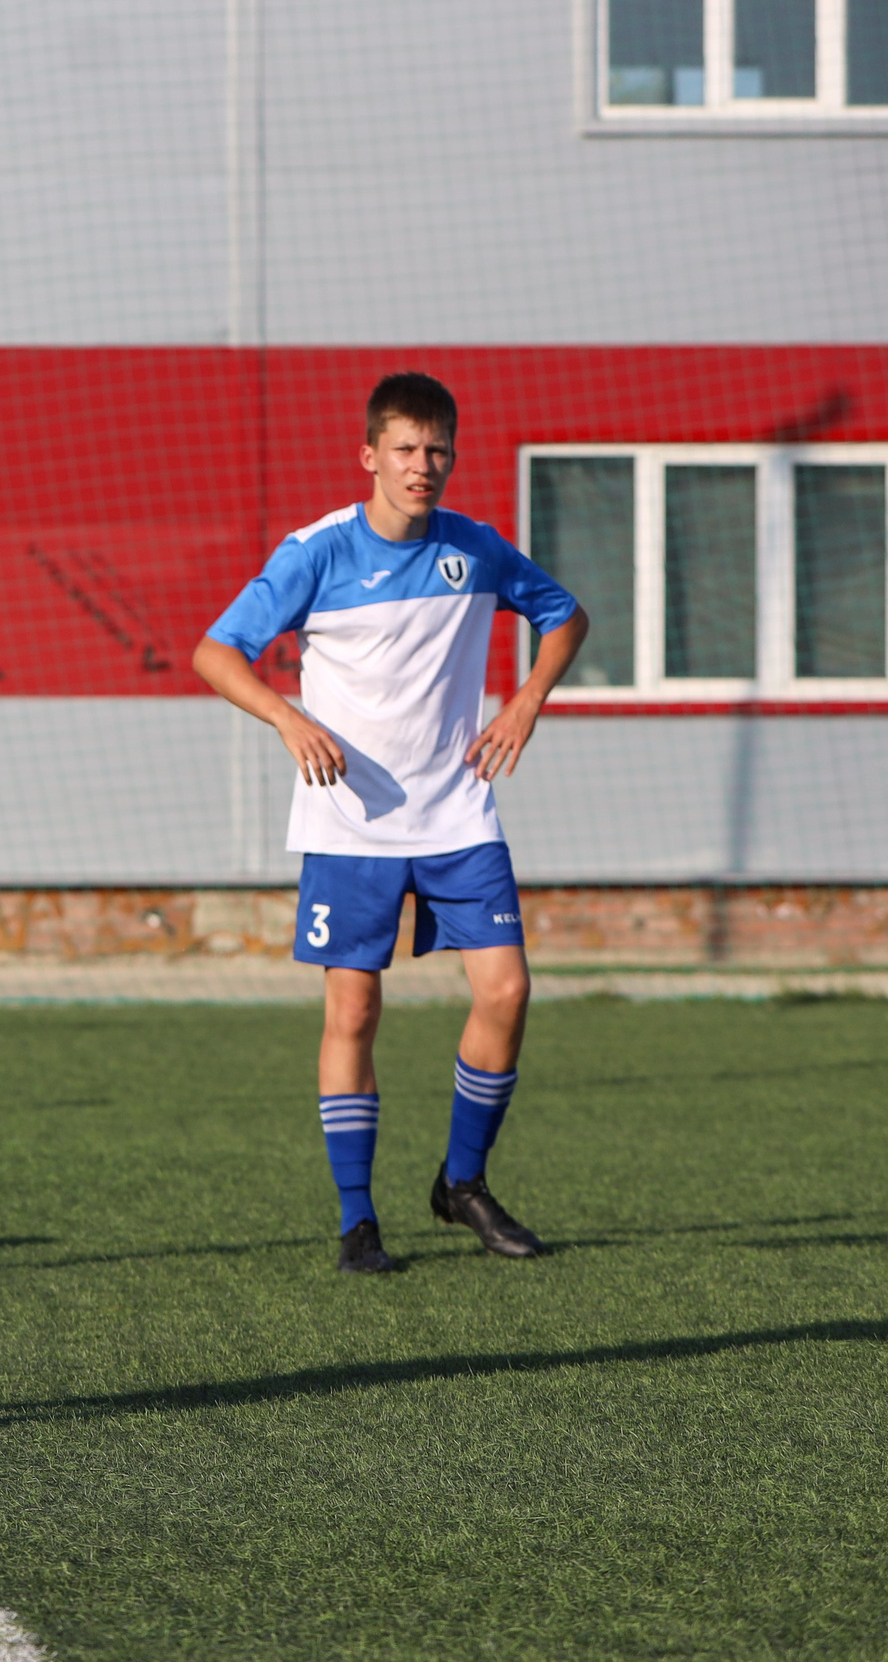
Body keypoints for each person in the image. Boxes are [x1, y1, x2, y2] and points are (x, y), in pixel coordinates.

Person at [191, 373, 590, 1274]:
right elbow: (214, 652)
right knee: (355, 1007)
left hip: (457, 813)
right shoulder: (318, 552)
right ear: (370, 454)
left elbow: (564, 616)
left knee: (507, 991)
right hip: (349, 825)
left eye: (439, 450)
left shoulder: (475, 550)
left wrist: (526, 701)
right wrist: (289, 717)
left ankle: (461, 1184)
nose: (424, 467)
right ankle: (357, 1220)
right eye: (406, 450)